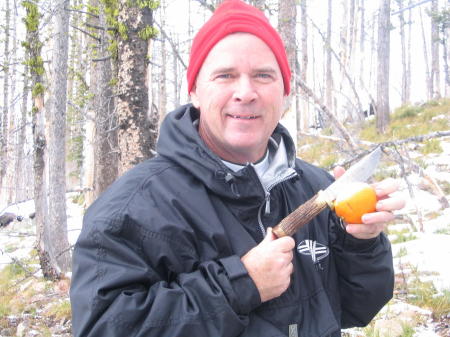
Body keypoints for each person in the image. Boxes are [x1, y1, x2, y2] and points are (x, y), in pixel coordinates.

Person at [70, 1, 405, 336]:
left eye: (263, 75)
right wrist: (239, 285)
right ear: (195, 92)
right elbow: (103, 326)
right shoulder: (133, 209)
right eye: (225, 75)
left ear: (284, 91)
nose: (246, 93)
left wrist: (361, 241)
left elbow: (356, 307)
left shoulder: (315, 188)